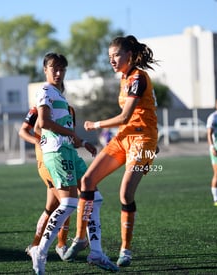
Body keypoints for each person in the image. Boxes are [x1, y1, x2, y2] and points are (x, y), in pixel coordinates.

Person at [64, 35, 159, 268]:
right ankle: (81, 238)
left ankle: (125, 250)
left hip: (143, 140)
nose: (112, 60)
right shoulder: (124, 78)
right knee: (86, 181)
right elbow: (129, 119)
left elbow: (126, 116)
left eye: (116, 55)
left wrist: (95, 124)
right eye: (109, 57)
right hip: (124, 137)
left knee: (125, 193)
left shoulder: (138, 78)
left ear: (129, 55)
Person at [28, 53, 117, 274]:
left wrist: (82, 141)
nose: (58, 73)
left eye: (62, 69)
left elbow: (52, 128)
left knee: (94, 198)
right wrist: (67, 134)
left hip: (68, 152)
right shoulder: (45, 91)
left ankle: (95, 253)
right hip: (56, 154)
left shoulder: (59, 94)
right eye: (54, 68)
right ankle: (39, 250)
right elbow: (43, 122)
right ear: (45, 69)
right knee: (68, 204)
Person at [19, 104, 98, 261]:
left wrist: (82, 143)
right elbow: (23, 131)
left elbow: (70, 138)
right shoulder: (40, 108)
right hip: (48, 162)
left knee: (52, 208)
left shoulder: (70, 110)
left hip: (67, 159)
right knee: (67, 202)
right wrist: (38, 141)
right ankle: (62, 246)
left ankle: (35, 246)